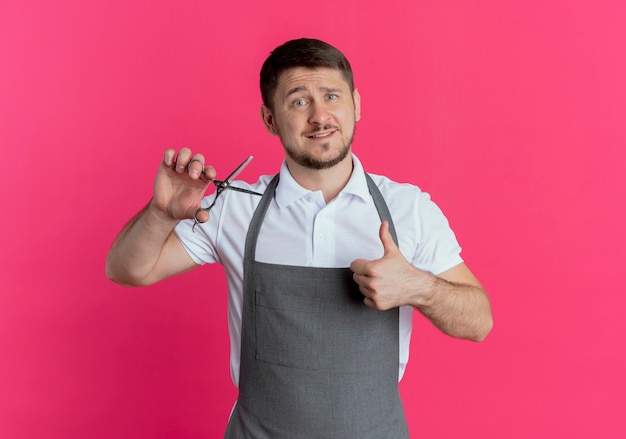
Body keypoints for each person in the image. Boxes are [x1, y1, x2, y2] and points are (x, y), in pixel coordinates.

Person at [106, 38, 493, 438]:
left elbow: (479, 322)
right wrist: (159, 214)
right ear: (270, 119)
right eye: (298, 101)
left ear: (356, 105)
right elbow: (127, 270)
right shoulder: (236, 208)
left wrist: (419, 287)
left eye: (331, 96)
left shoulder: (407, 208)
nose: (320, 116)